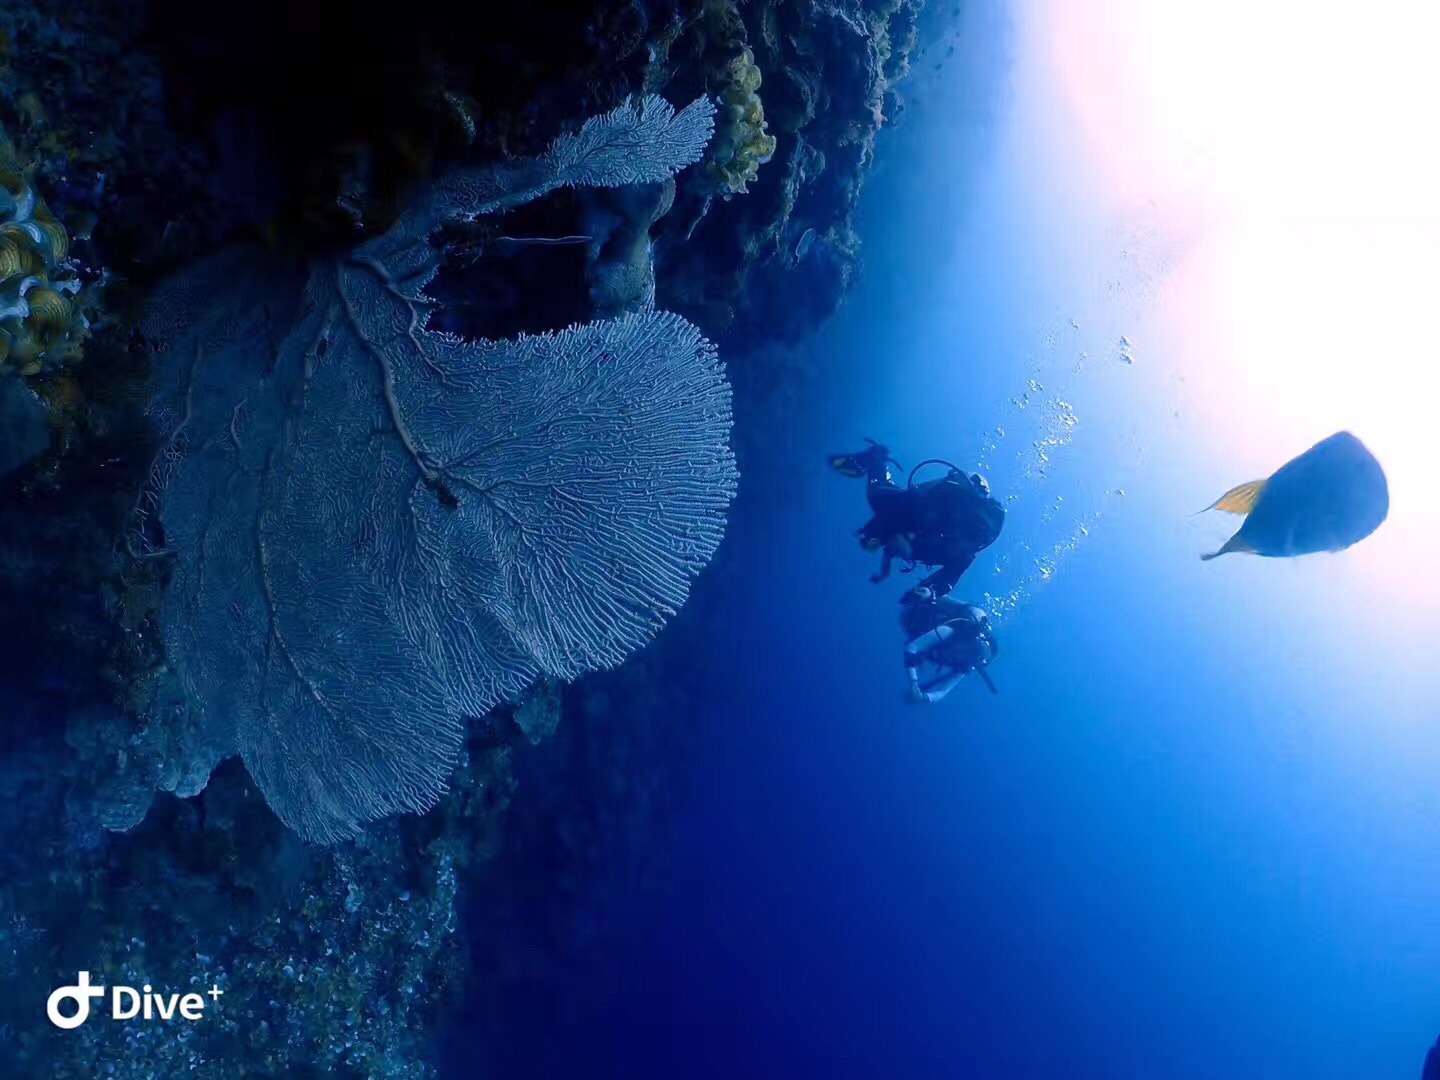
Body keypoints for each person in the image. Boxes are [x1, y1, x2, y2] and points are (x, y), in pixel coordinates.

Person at [829, 440, 1005, 596]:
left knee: (878, 535)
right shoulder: (953, 505)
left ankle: (878, 530)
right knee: (877, 497)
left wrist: (929, 592)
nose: (969, 539)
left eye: (978, 537)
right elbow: (912, 507)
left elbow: (948, 580)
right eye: (973, 530)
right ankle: (877, 457)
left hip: (909, 529)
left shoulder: (964, 554)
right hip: (910, 510)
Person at [899, 587, 998, 704]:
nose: (967, 654)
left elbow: (943, 691)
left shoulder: (967, 663)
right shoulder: (951, 632)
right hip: (926, 615)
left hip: (928, 626)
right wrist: (914, 684)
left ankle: (929, 596)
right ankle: (930, 594)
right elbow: (912, 647)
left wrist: (924, 697)